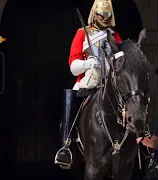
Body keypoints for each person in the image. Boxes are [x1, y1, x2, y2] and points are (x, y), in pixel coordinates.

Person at [54, 0, 122, 169]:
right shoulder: (82, 33)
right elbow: (73, 66)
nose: (105, 18)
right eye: (101, 15)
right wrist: (88, 63)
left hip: (109, 83)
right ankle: (66, 147)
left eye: (108, 15)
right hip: (87, 82)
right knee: (70, 100)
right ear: (95, 14)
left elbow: (122, 62)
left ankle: (139, 144)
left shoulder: (114, 36)